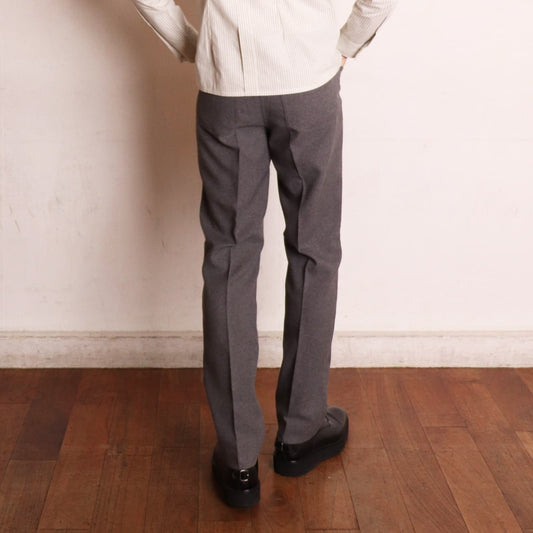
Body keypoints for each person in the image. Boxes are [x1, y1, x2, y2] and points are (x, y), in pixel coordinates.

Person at [130, 0, 397, 508]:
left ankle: (238, 460)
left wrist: (197, 46)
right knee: (315, 251)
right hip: (308, 81)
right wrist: (346, 42)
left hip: (226, 87)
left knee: (229, 259)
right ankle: (301, 432)